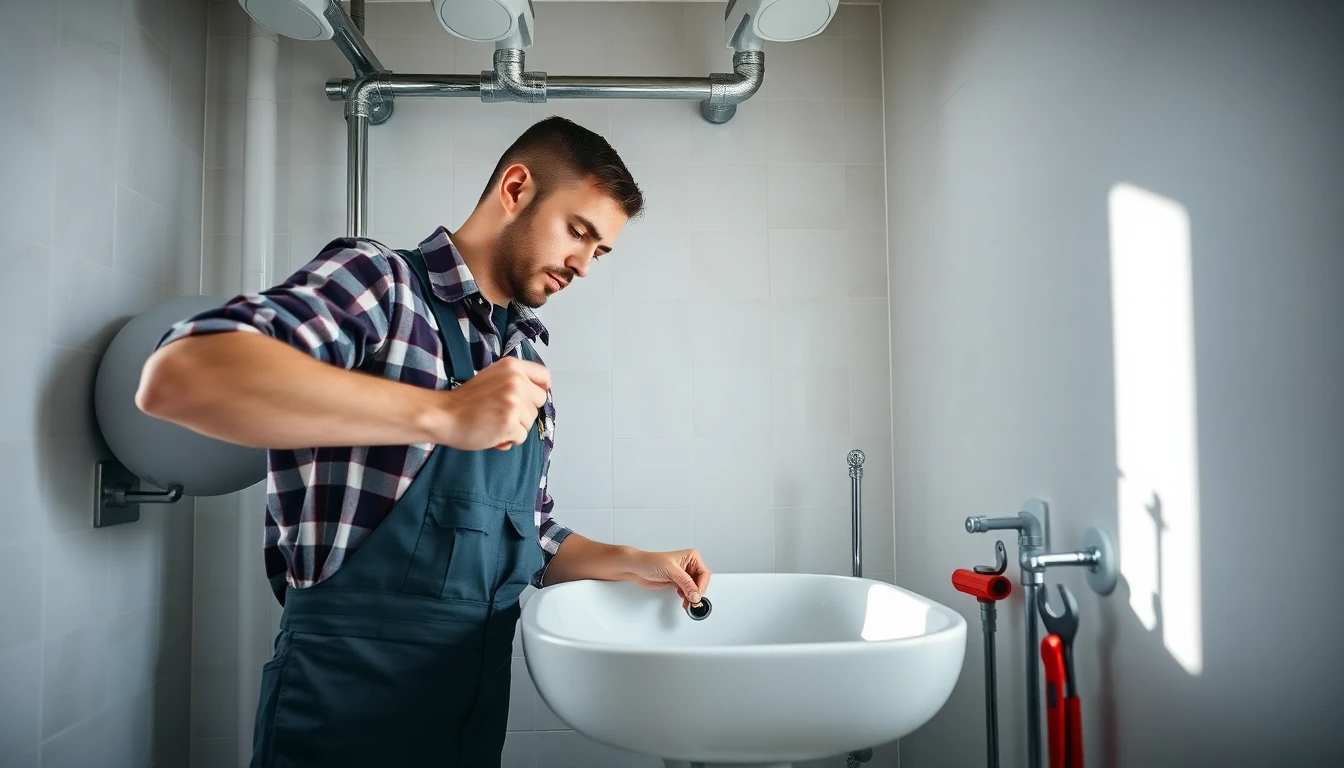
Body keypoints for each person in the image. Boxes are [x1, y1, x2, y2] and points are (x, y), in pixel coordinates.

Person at [136, 116, 713, 767]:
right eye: (578, 232)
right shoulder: (382, 284)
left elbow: (523, 529)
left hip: (467, 721)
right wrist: (442, 413)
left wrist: (632, 560)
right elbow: (181, 374)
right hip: (342, 720)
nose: (583, 265)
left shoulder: (525, 350)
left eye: (600, 251)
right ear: (517, 187)